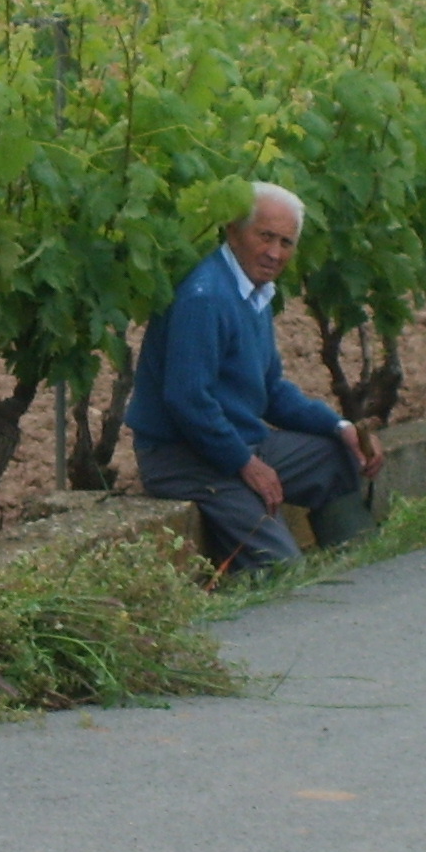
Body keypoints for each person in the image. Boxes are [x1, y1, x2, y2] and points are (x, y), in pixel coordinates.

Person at [127, 182, 384, 572]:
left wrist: (340, 426)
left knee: (335, 458)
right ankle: (270, 590)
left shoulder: (253, 292)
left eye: (286, 242)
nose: (274, 253)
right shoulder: (206, 297)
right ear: (233, 231)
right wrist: (245, 463)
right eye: (264, 237)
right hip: (186, 459)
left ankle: (365, 571)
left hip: (238, 444)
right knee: (281, 568)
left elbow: (272, 391)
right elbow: (187, 400)